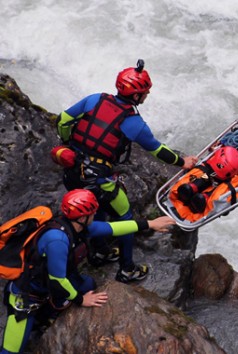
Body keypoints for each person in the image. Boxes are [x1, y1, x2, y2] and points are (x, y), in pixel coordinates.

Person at [55, 59, 197, 282]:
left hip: (72, 171)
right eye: (145, 92)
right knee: (125, 216)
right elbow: (157, 150)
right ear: (136, 96)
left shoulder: (95, 99)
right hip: (98, 178)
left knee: (96, 206)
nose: (147, 96)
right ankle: (127, 269)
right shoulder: (133, 122)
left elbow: (63, 120)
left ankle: (99, 252)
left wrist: (67, 144)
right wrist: (182, 162)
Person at [0, 189, 175, 354]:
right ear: (83, 216)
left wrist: (150, 224)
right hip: (27, 295)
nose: (94, 215)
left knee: (88, 284)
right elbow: (57, 281)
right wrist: (81, 300)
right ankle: (41, 318)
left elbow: (113, 228)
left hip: (48, 286)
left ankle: (47, 315)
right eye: (92, 213)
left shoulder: (77, 226)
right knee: (11, 350)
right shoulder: (57, 240)